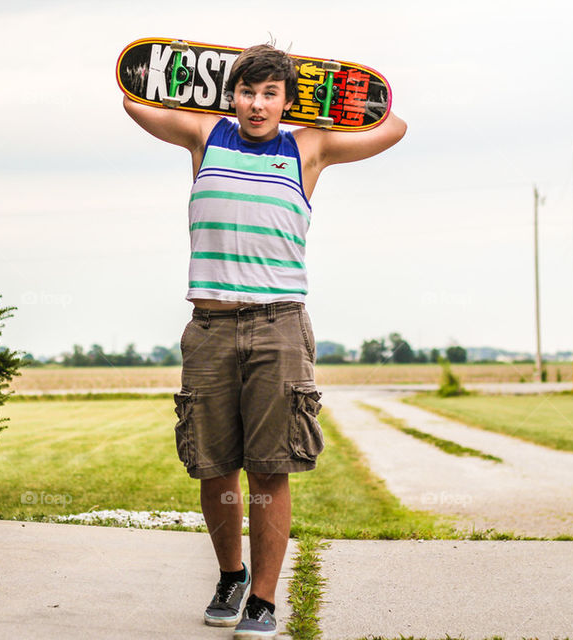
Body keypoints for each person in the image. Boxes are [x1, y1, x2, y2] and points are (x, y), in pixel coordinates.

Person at [122, 43, 406, 638]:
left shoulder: (308, 148)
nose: (256, 104)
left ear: (286, 99)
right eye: (247, 91)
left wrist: (320, 90)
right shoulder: (207, 137)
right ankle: (231, 576)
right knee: (214, 466)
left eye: (269, 93)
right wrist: (193, 88)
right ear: (232, 95)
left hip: (278, 325)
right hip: (210, 326)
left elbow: (393, 125)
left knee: (270, 470)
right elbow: (132, 100)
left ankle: (264, 602)